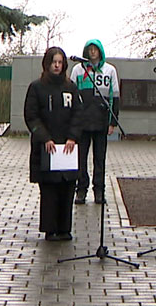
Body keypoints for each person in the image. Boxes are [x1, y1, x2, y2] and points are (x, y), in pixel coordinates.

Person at [25, 48, 83, 241]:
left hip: (67, 148)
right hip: (47, 147)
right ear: (47, 64)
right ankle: (50, 229)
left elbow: (78, 114)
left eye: (60, 62)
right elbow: (31, 116)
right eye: (53, 62)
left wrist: (73, 137)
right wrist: (44, 137)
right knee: (49, 190)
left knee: (67, 188)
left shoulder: (72, 87)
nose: (57, 66)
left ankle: (64, 229)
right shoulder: (37, 87)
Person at [70, 40, 118, 205]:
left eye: (95, 49)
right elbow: (72, 96)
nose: (92, 52)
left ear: (100, 51)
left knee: (100, 159)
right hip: (82, 124)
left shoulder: (109, 70)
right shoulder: (78, 69)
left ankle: (99, 190)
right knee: (80, 158)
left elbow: (114, 96)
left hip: (101, 122)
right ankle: (81, 190)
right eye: (89, 49)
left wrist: (112, 122)